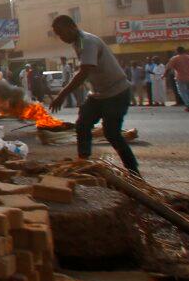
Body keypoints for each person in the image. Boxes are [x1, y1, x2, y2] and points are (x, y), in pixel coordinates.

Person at [49, 16, 140, 176]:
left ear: (72, 27)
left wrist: (62, 94)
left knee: (111, 133)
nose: (61, 37)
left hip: (116, 92)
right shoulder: (78, 42)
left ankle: (133, 172)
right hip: (99, 94)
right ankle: (83, 161)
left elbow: (84, 71)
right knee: (82, 124)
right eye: (58, 34)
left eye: (61, 33)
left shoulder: (88, 41)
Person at [164, 46, 189, 112]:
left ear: (177, 51)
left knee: (182, 92)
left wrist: (164, 75)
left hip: (180, 78)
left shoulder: (175, 58)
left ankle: (188, 105)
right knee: (188, 91)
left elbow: (168, 68)